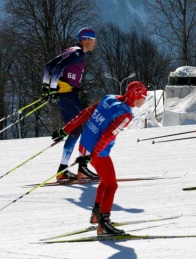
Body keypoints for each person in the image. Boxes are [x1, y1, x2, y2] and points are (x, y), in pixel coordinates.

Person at [52, 81, 148, 235]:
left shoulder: (110, 98)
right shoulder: (125, 114)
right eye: (143, 97)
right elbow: (108, 136)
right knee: (112, 185)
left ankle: (97, 214)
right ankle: (104, 223)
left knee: (105, 180)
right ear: (135, 95)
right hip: (98, 151)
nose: (144, 101)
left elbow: (86, 112)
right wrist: (92, 156)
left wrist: (66, 129)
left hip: (86, 144)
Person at [42, 28, 98, 181]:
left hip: (65, 96)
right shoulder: (78, 53)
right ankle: (83, 168)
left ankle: (62, 171)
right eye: (94, 39)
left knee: (74, 131)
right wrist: (52, 89)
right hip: (68, 95)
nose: (95, 42)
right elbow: (58, 68)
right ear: (86, 39)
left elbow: (49, 65)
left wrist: (46, 88)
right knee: (86, 127)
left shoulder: (72, 51)